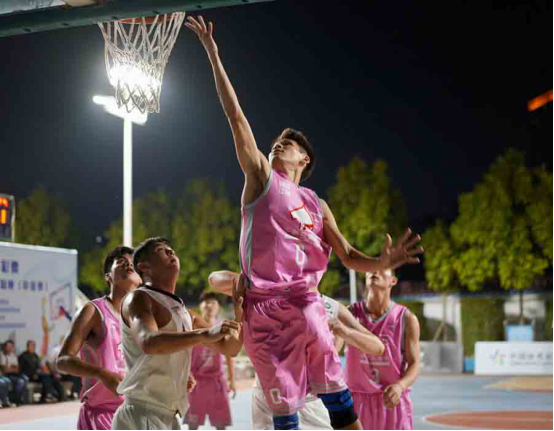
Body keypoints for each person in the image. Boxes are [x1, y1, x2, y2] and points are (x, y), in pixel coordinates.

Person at [186, 16, 424, 431]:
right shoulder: (261, 179)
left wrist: (381, 261)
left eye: (290, 143)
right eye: (278, 141)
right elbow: (236, 119)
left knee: (338, 401)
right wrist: (213, 54)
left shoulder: (316, 203)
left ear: (304, 159)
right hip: (263, 310)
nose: (280, 143)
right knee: (283, 415)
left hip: (303, 301)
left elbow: (349, 256)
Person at [209, 271, 386, 431]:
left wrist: (344, 331)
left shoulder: (330, 307)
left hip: (314, 403)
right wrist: (254, 278)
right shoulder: (264, 297)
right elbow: (215, 279)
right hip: (272, 400)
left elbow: (378, 347)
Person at [112, 238, 243, 431]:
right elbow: (149, 342)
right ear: (144, 266)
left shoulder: (184, 312)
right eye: (162, 250)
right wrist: (204, 334)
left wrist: (240, 313)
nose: (171, 252)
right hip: (142, 412)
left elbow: (230, 348)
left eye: (171, 249)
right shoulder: (138, 298)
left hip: (169, 414)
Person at [57, 247, 141, 430]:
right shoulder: (94, 311)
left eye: (133, 263)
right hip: (103, 417)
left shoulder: (142, 318)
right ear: (108, 276)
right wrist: (101, 373)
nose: (129, 265)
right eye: (122, 262)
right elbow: (63, 360)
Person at [344, 270, 421, 430]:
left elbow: (415, 364)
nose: (375, 270)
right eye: (371, 266)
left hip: (392, 400)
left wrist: (400, 386)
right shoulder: (349, 314)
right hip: (355, 402)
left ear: (393, 280)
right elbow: (331, 349)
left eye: (381, 267)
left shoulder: (406, 318)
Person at [185, 292, 236, 431]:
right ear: (200, 306)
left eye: (213, 302)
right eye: (206, 302)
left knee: (221, 425)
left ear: (218, 307)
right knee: (193, 425)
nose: (209, 305)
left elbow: (229, 355)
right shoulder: (192, 327)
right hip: (196, 382)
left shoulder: (223, 327)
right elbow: (185, 354)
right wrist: (185, 376)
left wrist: (231, 380)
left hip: (216, 382)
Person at [0, 340, 27, 406]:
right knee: (7, 381)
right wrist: (12, 368)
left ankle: (17, 399)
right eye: (8, 347)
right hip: (6, 375)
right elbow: (5, 370)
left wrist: (10, 368)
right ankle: (9, 400)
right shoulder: (2, 355)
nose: (9, 348)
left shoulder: (14, 356)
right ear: (4, 347)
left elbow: (17, 369)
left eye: (11, 347)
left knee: (25, 379)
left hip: (14, 374)